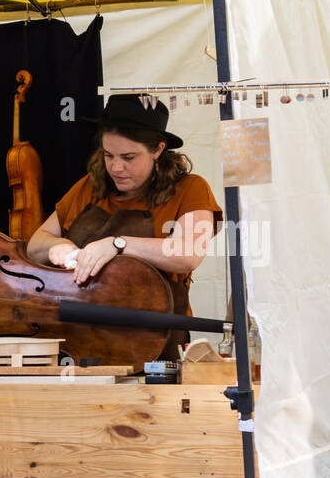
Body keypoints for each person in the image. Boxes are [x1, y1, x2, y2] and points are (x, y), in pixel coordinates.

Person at [26, 93, 221, 356]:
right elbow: (35, 245)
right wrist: (57, 247)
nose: (116, 167)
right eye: (109, 155)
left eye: (129, 157)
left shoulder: (190, 188)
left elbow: (188, 254)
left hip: (155, 342)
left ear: (158, 150)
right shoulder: (89, 186)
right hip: (79, 341)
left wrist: (117, 245)